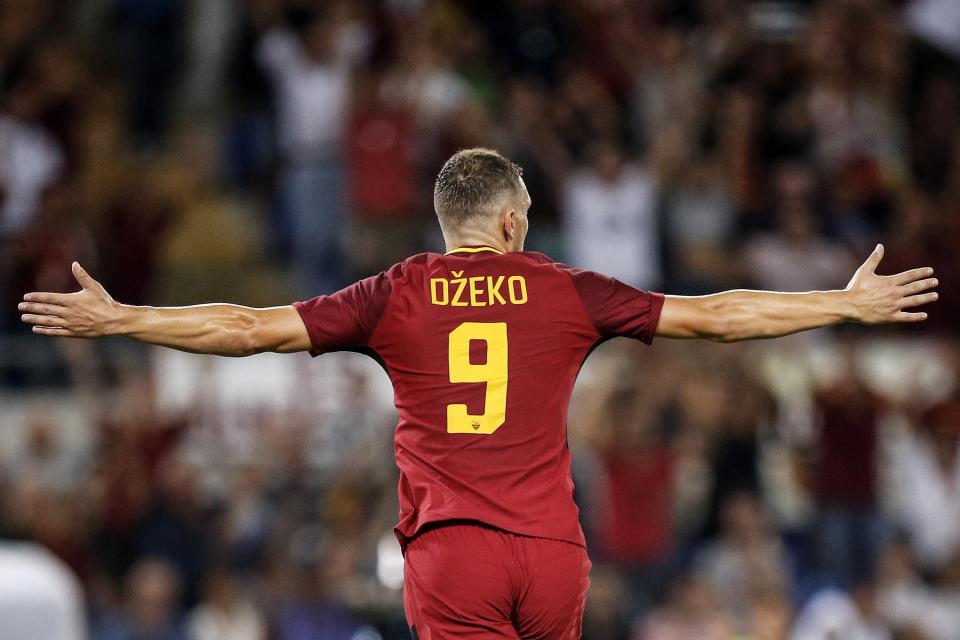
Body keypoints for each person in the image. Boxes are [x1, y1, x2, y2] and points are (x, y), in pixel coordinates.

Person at [19, 148, 938, 639]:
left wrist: (123, 319)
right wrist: (843, 304)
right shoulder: (566, 289)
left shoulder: (395, 293)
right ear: (508, 219)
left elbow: (245, 328)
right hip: (553, 557)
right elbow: (717, 314)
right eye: (528, 210)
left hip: (454, 553)